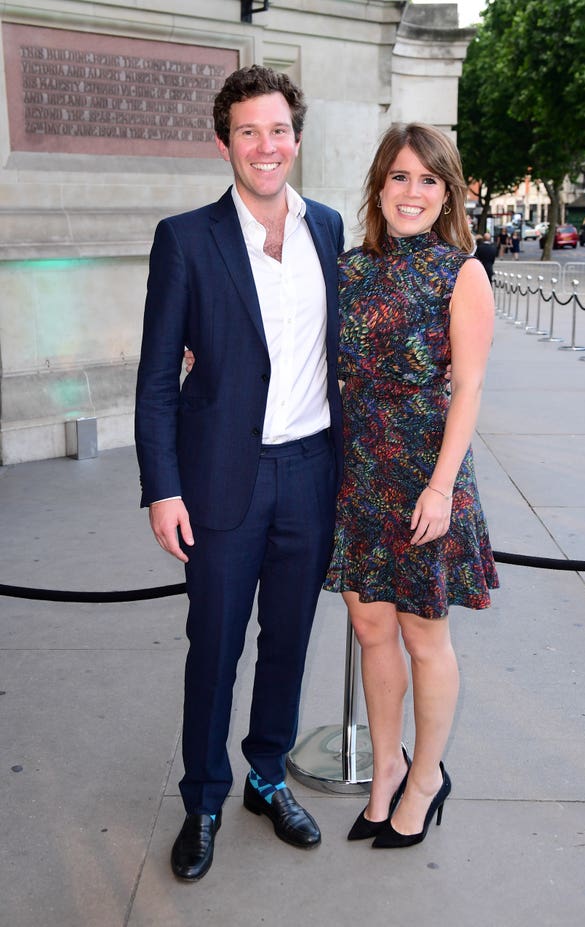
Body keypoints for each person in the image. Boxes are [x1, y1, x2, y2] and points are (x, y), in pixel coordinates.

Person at [134, 65, 344, 881]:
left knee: (288, 643)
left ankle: (266, 777)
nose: (267, 146)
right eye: (249, 131)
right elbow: (156, 378)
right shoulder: (186, 238)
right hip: (222, 481)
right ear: (223, 140)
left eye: (280, 129)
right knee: (214, 649)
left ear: (297, 136)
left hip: (312, 470)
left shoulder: (328, 229)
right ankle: (204, 800)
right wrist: (162, 486)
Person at [323, 123, 499, 849]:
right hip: (360, 473)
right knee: (370, 628)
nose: (412, 192)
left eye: (428, 180)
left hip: (427, 476)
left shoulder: (463, 273)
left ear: (448, 193)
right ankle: (387, 766)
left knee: (425, 636)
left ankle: (427, 775)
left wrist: (439, 486)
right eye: (400, 176)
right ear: (379, 186)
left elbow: (471, 388)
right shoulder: (347, 269)